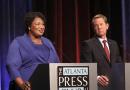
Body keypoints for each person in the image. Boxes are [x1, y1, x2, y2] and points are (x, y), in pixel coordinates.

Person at [6, 12, 60, 90]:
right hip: (27, 87)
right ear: (29, 26)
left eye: (43, 24)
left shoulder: (48, 43)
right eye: (38, 24)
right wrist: (22, 85)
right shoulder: (18, 42)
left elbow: (56, 64)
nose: (42, 27)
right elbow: (11, 65)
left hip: (48, 86)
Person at [80, 14, 123, 90]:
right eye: (96, 25)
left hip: (115, 85)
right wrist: (97, 78)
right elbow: (86, 66)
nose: (99, 27)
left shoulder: (114, 44)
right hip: (98, 86)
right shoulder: (88, 44)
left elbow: (118, 64)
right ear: (93, 28)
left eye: (101, 24)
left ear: (107, 26)